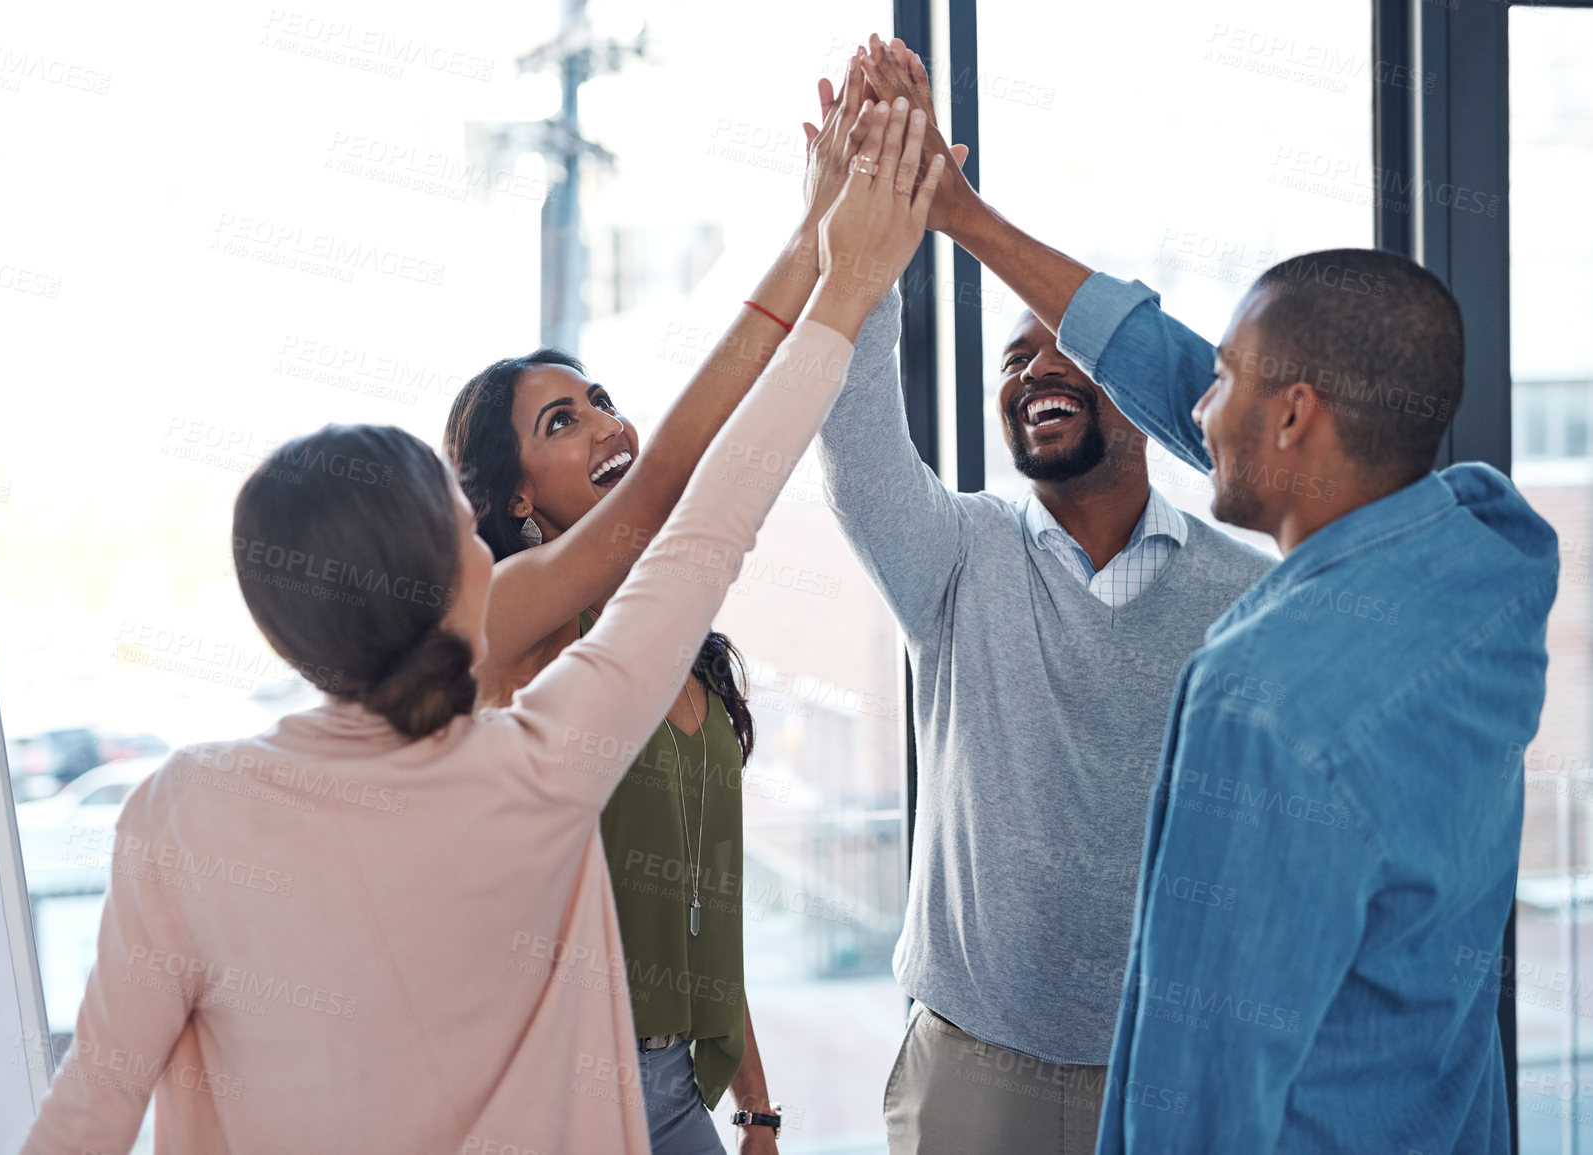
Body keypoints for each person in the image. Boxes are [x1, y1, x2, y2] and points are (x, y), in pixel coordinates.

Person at [17, 97, 944, 1155]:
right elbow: (704, 517)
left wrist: (828, 255)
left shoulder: (178, 813)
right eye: (467, 525)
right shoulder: (540, 763)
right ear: (458, 573)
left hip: (684, 1082)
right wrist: (846, 275)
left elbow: (86, 1113)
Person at [860, 33, 1559, 1154]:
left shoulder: (1256, 693)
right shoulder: (1488, 561)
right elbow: (1188, 379)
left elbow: (1199, 1083)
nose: (1199, 407)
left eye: (1226, 379)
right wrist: (965, 216)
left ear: (1292, 418)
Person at [442, 60, 872, 1155]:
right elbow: (685, 468)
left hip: (687, 1088)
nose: (601, 426)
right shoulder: (509, 626)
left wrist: (759, 1107)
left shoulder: (671, 631)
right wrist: (820, 237)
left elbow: (703, 901)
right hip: (564, 1094)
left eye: (599, 403)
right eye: (558, 425)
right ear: (510, 499)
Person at [815, 153, 1272, 1155]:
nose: (1038, 369)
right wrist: (861, 251)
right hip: (974, 1073)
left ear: (1150, 405)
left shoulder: (1246, 592)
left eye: (1072, 349)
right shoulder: (958, 552)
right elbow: (856, 449)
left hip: (1167, 1066)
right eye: (1017, 359)